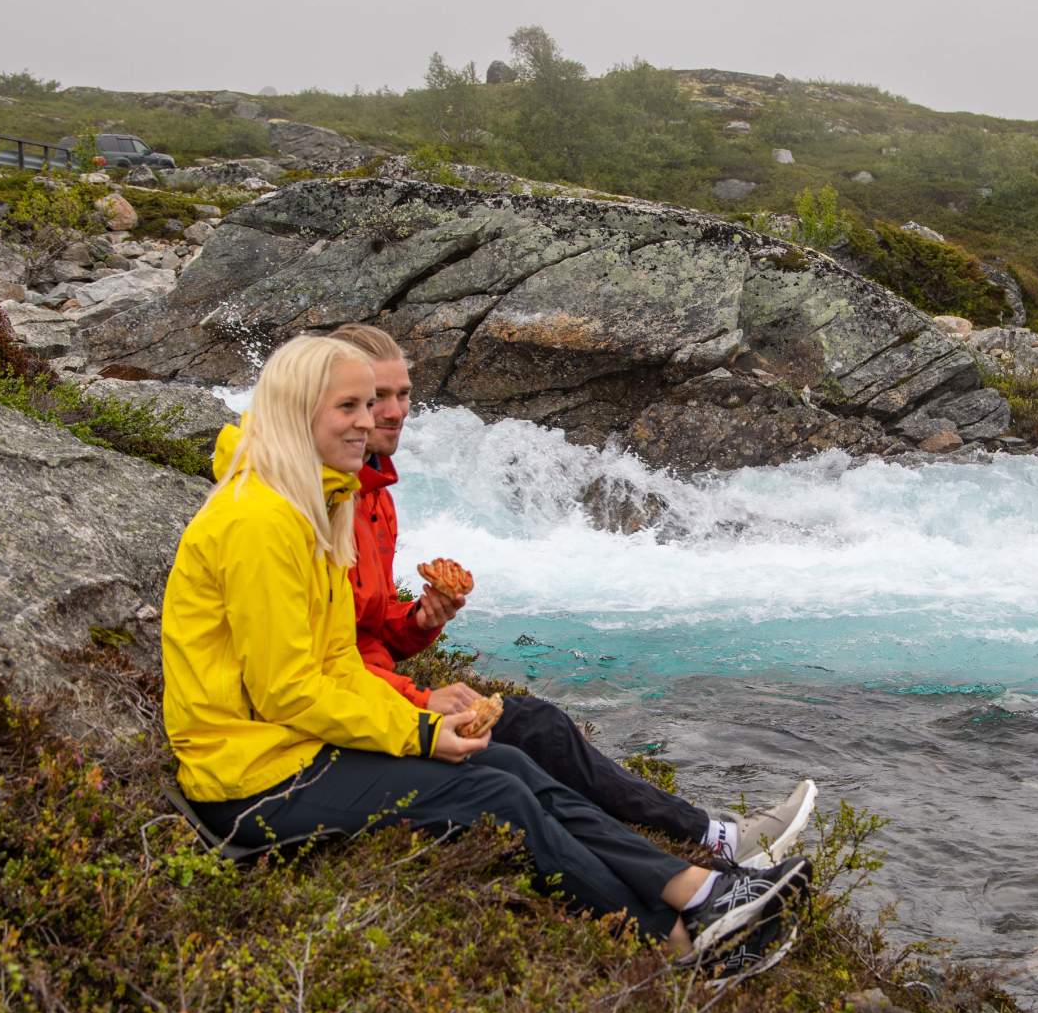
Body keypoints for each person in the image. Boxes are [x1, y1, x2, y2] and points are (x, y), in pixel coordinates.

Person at [161, 334, 808, 978]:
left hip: (292, 751)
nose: (368, 421)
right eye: (350, 407)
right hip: (250, 785)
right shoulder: (260, 521)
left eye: (376, 403)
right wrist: (418, 729)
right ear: (297, 412)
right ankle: (677, 945)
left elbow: (337, 666)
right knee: (494, 792)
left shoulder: (315, 506)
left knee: (506, 761)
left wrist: (420, 718)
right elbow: (288, 692)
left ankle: (698, 888)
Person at [323, 323, 818, 868]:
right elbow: (320, 662)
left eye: (402, 395)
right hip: (353, 714)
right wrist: (417, 704)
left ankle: (708, 844)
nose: (392, 412)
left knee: (539, 726)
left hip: (372, 695)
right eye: (373, 399)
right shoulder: (321, 506)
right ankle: (700, 858)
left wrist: (419, 620)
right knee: (520, 751)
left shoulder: (372, 494)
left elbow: (367, 634)